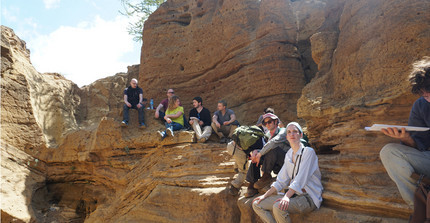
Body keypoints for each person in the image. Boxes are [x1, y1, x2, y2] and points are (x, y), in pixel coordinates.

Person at [379, 57, 430, 208]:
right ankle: (421, 208)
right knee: (389, 152)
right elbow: (420, 146)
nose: (429, 99)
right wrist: (406, 138)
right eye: (426, 96)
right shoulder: (421, 105)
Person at [253, 122, 323, 223]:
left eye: (295, 131)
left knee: (279, 206)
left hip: (309, 197)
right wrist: (265, 195)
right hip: (294, 195)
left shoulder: (308, 152)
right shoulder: (289, 154)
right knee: (257, 204)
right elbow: (281, 180)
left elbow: (300, 180)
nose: (292, 134)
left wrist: (286, 197)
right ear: (286, 136)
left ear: (301, 135)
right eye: (289, 132)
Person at [244, 113, 290, 198]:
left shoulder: (283, 131)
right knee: (257, 156)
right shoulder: (268, 135)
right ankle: (252, 184)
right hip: (274, 162)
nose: (267, 125)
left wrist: (259, 153)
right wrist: (255, 152)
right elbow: (264, 148)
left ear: (276, 121)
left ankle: (266, 175)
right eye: (265, 123)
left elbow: (273, 143)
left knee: (272, 148)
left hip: (285, 163)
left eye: (269, 122)